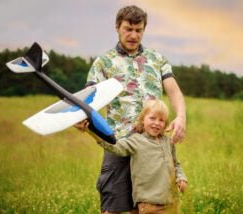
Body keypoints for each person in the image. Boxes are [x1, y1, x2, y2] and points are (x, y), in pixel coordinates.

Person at [77, 5, 186, 214]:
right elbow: (88, 96)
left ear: (144, 30)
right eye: (128, 29)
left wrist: (181, 116)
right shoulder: (103, 62)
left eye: (139, 30)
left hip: (151, 144)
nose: (133, 35)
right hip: (117, 140)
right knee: (112, 208)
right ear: (117, 27)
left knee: (147, 207)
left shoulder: (158, 59)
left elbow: (173, 90)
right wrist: (81, 118)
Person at [91, 99, 188, 214]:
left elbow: (175, 164)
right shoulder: (136, 141)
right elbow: (115, 147)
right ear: (143, 120)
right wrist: (93, 133)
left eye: (161, 120)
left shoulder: (168, 142)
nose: (157, 123)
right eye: (152, 118)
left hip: (171, 202)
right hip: (148, 203)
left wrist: (181, 178)